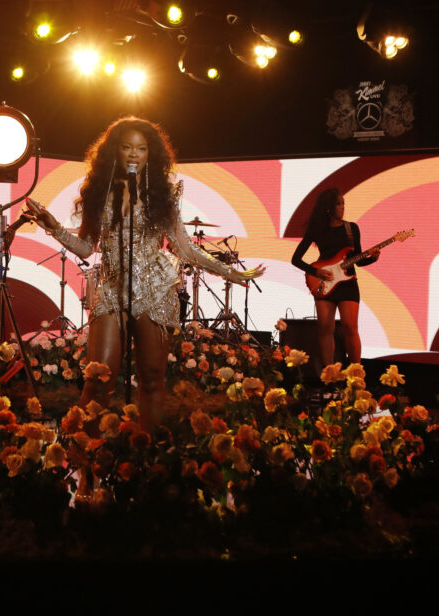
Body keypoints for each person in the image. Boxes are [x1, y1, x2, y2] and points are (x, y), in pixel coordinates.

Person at [25, 117, 265, 429]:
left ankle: (145, 454)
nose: (135, 154)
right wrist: (53, 227)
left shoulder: (162, 194)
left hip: (155, 290)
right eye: (127, 147)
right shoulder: (98, 192)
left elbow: (186, 249)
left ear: (151, 153)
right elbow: (86, 248)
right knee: (98, 376)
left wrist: (230, 273)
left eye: (141, 148)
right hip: (112, 289)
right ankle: (87, 455)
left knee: (152, 379)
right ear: (115, 152)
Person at [291, 187, 379, 366]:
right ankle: (329, 374)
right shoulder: (317, 229)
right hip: (325, 281)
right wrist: (316, 272)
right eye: (339, 204)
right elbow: (295, 259)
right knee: (325, 328)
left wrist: (372, 259)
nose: (342, 207)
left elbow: (359, 261)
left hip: (348, 283)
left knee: (350, 327)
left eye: (343, 203)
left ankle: (356, 373)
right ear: (329, 207)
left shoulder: (351, 228)